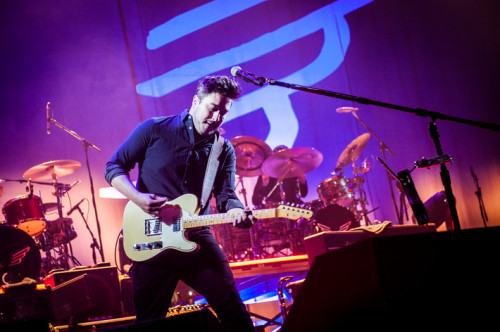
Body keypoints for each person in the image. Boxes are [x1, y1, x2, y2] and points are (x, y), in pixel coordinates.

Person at [105, 75, 256, 331]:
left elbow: (227, 195)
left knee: (235, 315)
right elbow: (114, 167)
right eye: (213, 108)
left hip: (196, 238)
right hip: (151, 238)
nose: (217, 117)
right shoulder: (154, 129)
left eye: (224, 112)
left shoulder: (223, 150)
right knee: (148, 323)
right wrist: (138, 198)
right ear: (196, 101)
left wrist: (238, 210)